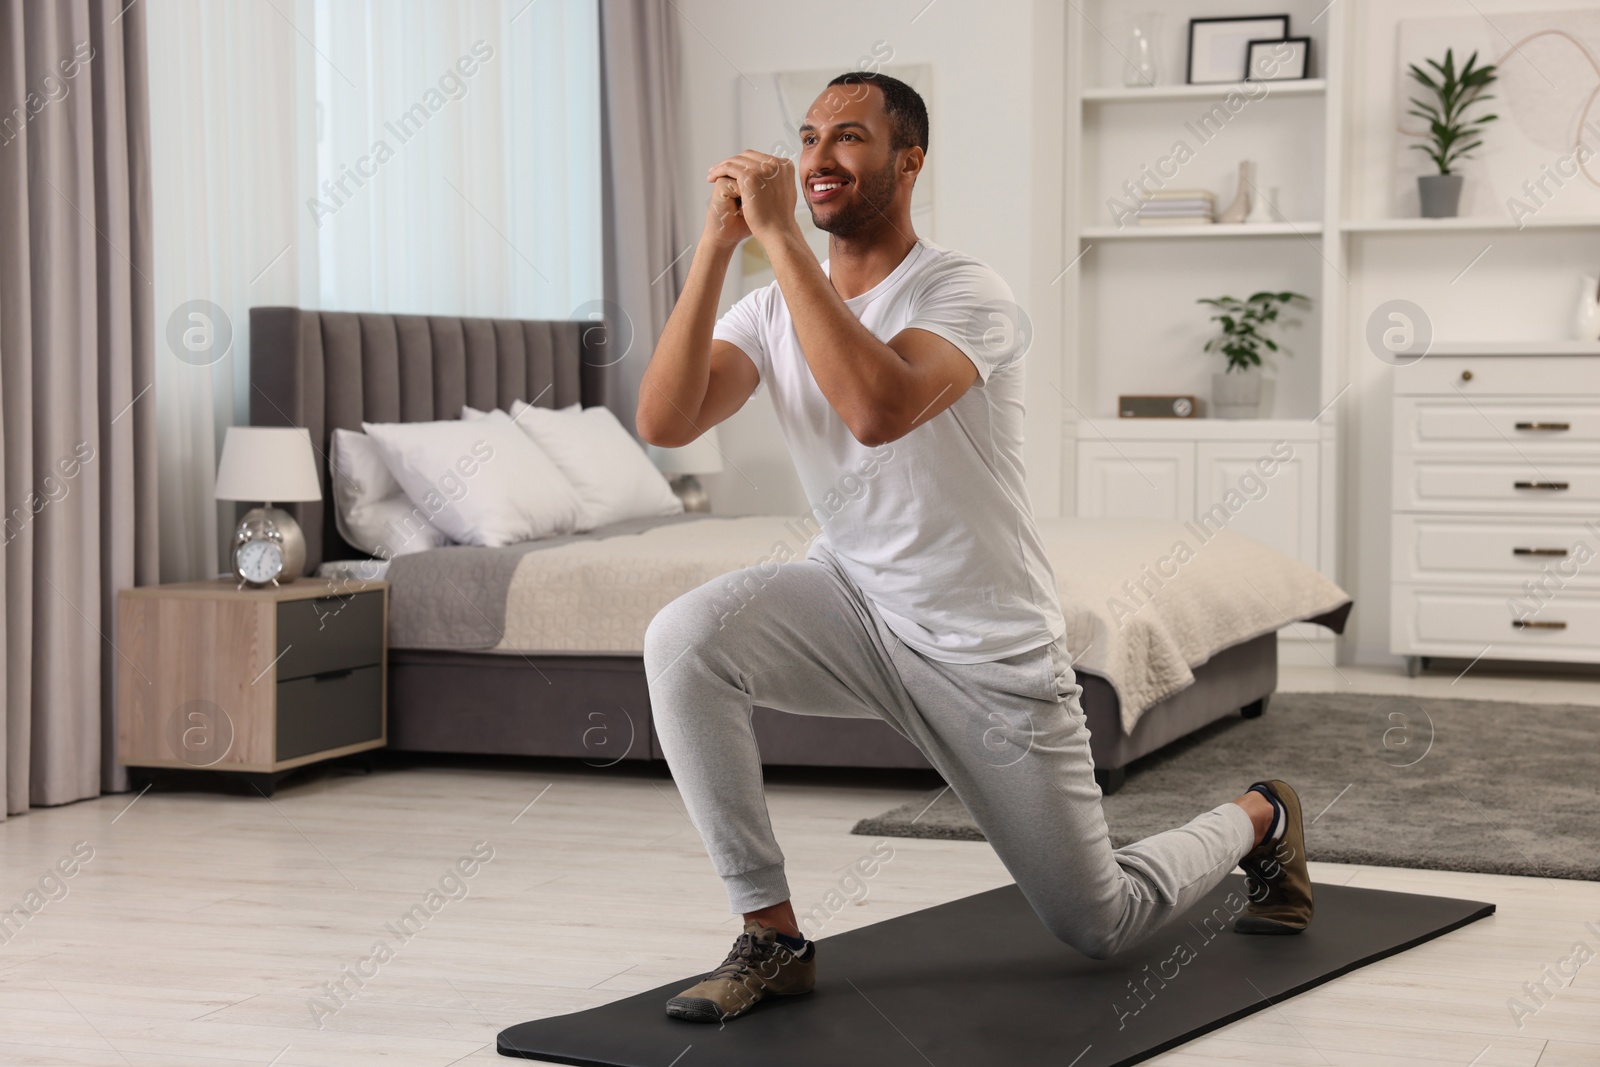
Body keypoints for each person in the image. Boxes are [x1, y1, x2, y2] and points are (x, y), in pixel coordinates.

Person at [634, 71, 1312, 1025]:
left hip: (986, 645)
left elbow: (878, 410)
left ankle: (1261, 817)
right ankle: (772, 933)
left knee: (1100, 921)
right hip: (857, 604)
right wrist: (716, 245)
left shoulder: (964, 291)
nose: (819, 157)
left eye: (850, 138)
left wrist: (780, 234)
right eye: (808, 135)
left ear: (909, 161)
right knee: (684, 635)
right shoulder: (770, 306)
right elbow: (664, 419)